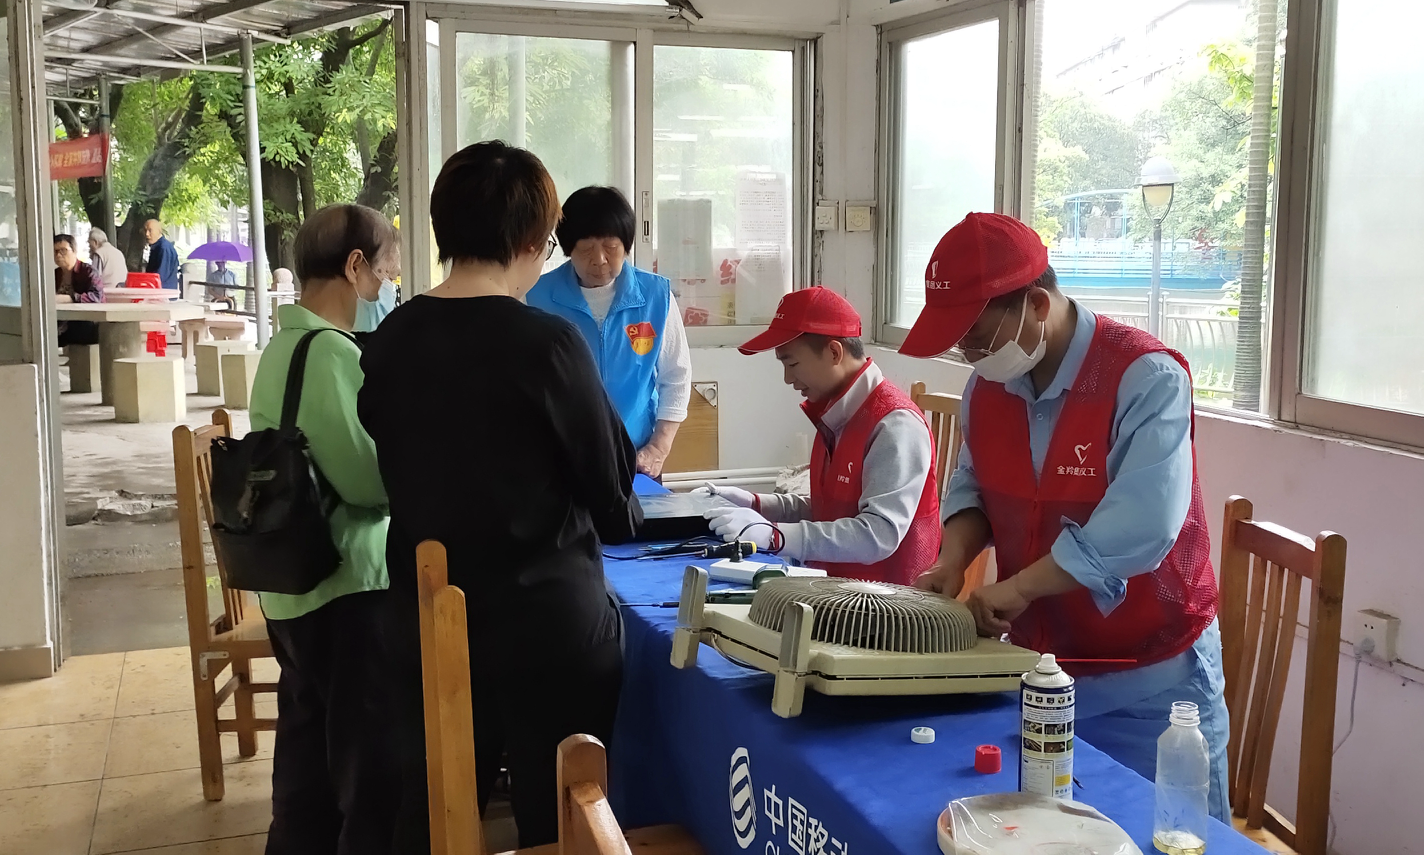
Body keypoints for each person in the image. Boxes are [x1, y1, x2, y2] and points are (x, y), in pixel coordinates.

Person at [358, 142, 641, 850]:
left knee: (433, 815)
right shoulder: (549, 344)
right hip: (545, 628)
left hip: (427, 623)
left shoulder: (389, 338)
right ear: (533, 241)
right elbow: (614, 504)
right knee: (558, 817)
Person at [901, 212, 1228, 822]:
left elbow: (1143, 526)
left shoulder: (1144, 377)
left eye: (977, 336)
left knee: (1165, 836)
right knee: (1041, 831)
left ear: (1036, 304)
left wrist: (1020, 588)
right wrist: (952, 561)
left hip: (1149, 684)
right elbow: (974, 483)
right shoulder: (987, 387)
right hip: (1039, 678)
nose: (970, 354)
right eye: (960, 342)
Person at [247, 204, 402, 854]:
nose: (388, 289)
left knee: (306, 748)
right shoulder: (332, 352)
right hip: (345, 583)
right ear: (355, 265)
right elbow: (369, 481)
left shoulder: (281, 345)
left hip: (290, 582)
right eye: (387, 273)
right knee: (365, 763)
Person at [700, 287, 941, 586]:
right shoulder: (837, 413)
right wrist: (755, 503)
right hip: (834, 591)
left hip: (887, 606)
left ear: (834, 353)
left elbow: (878, 535)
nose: (788, 378)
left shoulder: (895, 425)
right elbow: (832, 509)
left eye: (792, 364)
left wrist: (776, 536)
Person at [525, 186, 691, 479]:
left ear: (626, 246)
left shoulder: (655, 296)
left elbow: (676, 376)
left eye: (611, 247)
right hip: (560, 462)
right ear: (568, 249)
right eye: (586, 249)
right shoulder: (535, 296)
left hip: (637, 460)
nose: (599, 259)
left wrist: (658, 448)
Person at [54, 234, 102, 347]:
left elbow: (97, 297)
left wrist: (70, 298)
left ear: (75, 251)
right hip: (58, 321)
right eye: (55, 251)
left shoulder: (88, 272)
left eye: (63, 251)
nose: (58, 255)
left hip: (83, 323)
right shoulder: (55, 274)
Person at [143, 219, 180, 290]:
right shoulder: (157, 246)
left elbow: (160, 276)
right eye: (145, 230)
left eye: (150, 230)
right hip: (160, 292)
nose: (147, 234)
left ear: (159, 231)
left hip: (163, 293)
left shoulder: (164, 248)